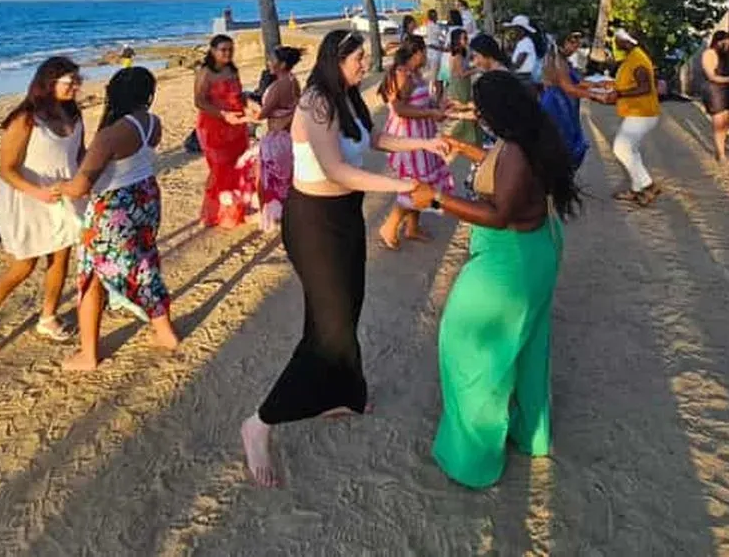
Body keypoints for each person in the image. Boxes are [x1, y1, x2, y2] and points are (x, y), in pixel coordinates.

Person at [240, 30, 449, 487]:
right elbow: (336, 170)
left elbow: (373, 140)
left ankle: (342, 395)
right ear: (336, 59)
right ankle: (259, 424)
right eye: (357, 58)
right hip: (313, 222)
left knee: (345, 309)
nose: (363, 64)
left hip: (345, 216)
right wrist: (403, 187)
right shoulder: (317, 101)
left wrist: (424, 146)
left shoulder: (348, 95)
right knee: (329, 328)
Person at [409, 70, 579, 488]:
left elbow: (499, 214)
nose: (477, 116)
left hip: (512, 261)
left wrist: (435, 198)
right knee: (526, 346)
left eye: (481, 111)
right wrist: (466, 148)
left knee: (469, 347)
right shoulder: (524, 137)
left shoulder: (518, 152)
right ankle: (529, 433)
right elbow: (500, 166)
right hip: (534, 251)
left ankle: (475, 459)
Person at [57, 67, 179, 371]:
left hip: (114, 208)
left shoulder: (111, 135)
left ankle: (88, 354)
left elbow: (81, 186)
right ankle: (164, 331)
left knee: (91, 275)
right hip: (145, 197)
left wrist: (59, 188)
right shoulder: (152, 123)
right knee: (144, 264)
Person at [0, 57, 85, 358]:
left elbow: (79, 156)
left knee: (61, 257)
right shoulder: (25, 118)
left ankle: (48, 317)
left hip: (63, 196)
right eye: (70, 81)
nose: (76, 85)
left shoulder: (75, 115)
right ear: (49, 83)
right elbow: (7, 169)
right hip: (26, 199)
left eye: (78, 80)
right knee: (24, 265)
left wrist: (87, 180)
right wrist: (37, 192)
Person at [377, 36, 454, 249]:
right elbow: (399, 109)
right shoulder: (401, 74)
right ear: (417, 52)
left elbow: (420, 102)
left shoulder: (415, 74)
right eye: (425, 52)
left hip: (422, 135)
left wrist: (439, 106)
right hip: (408, 137)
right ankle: (389, 228)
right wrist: (430, 111)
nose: (427, 56)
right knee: (414, 185)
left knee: (423, 183)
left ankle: (412, 227)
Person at [591, 29, 661, 206]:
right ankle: (636, 190)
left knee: (621, 149)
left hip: (642, 113)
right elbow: (629, 82)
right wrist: (612, 85)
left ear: (628, 41)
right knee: (632, 151)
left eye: (618, 40)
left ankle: (648, 185)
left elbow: (644, 87)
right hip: (638, 112)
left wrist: (619, 93)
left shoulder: (638, 60)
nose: (615, 42)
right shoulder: (632, 57)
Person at [194, 34, 257, 228]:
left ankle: (234, 211)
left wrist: (250, 104)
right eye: (223, 49)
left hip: (237, 126)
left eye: (230, 49)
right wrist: (222, 114)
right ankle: (216, 214)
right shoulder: (206, 72)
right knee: (220, 170)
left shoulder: (232, 70)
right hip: (215, 127)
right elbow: (199, 101)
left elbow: (239, 95)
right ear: (213, 51)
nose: (228, 53)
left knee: (237, 168)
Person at [243, 46, 304, 231]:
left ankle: (269, 215)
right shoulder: (294, 81)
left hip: (276, 138)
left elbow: (261, 115)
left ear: (283, 64)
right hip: (288, 136)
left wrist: (246, 105)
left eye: (272, 60)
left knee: (267, 179)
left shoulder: (278, 86)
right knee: (285, 177)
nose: (269, 63)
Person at [540, 33, 590, 172]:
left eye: (578, 43)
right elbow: (569, 88)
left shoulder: (562, 60)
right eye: (573, 43)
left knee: (567, 140)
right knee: (565, 142)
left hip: (563, 103)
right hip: (558, 104)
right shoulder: (558, 61)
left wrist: (599, 85)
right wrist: (597, 96)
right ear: (563, 43)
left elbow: (577, 83)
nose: (576, 47)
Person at [701, 30, 729, 163]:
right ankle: (720, 153)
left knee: (726, 123)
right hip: (715, 90)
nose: (725, 45)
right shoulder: (709, 54)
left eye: (728, 42)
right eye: (723, 42)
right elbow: (711, 76)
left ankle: (722, 147)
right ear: (716, 41)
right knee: (718, 122)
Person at [445, 28, 480, 147]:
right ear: (457, 40)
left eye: (466, 38)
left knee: (464, 106)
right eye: (464, 38)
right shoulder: (457, 55)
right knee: (460, 106)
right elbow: (461, 73)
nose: (466, 40)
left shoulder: (463, 53)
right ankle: (459, 137)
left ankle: (466, 136)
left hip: (463, 84)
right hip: (459, 84)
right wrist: (477, 69)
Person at [509, 15, 547, 88]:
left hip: (523, 78)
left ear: (522, 31)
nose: (513, 31)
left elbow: (518, 64)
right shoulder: (522, 42)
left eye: (515, 29)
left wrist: (506, 69)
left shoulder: (525, 43)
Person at [420, 9, 446, 100]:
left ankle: (429, 93)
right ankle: (431, 95)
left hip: (429, 52)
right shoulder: (435, 26)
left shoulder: (427, 25)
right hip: (435, 53)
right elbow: (442, 37)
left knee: (430, 75)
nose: (436, 17)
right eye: (435, 15)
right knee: (434, 76)